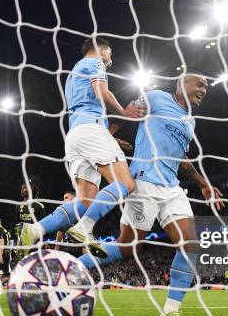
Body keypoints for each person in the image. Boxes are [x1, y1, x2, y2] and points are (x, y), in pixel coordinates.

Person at [77, 71, 224, 316]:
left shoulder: (189, 121)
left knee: (190, 245)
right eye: (200, 83)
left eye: (207, 86)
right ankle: (71, 266)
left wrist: (203, 184)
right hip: (144, 181)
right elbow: (126, 112)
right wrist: (109, 137)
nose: (205, 89)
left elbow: (181, 160)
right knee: (127, 249)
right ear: (181, 84)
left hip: (172, 188)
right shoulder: (156, 97)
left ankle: (170, 312)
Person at [20, 37, 144, 258]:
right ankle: (84, 228)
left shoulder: (73, 75)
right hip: (90, 130)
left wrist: (110, 136)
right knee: (125, 183)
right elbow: (102, 93)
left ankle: (35, 229)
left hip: (76, 135)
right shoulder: (94, 63)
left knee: (85, 201)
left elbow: (88, 106)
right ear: (101, 50)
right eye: (110, 54)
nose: (110, 60)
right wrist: (124, 115)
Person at [13, 180, 46, 258]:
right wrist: (15, 241)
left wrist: (44, 241)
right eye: (22, 188)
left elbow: (44, 226)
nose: (22, 190)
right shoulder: (18, 206)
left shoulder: (39, 206)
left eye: (24, 188)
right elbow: (17, 225)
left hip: (36, 243)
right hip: (22, 243)